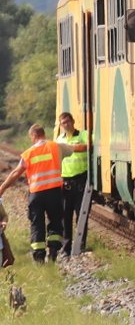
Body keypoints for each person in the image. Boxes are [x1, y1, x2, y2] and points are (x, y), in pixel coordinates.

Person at [0, 124, 85, 264]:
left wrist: (2, 188)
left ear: (33, 136)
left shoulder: (28, 153)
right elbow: (76, 149)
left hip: (36, 195)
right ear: (43, 134)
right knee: (55, 221)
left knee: (36, 224)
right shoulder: (56, 146)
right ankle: (53, 252)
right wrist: (89, 146)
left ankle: (39, 257)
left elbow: (16, 173)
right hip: (54, 192)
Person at [56, 112, 89, 256]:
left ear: (73, 121)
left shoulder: (82, 135)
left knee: (81, 214)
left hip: (80, 179)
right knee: (65, 215)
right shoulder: (59, 139)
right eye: (64, 123)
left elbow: (88, 146)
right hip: (65, 181)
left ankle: (81, 244)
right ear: (61, 125)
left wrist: (70, 147)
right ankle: (66, 246)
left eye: (68, 121)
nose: (66, 124)